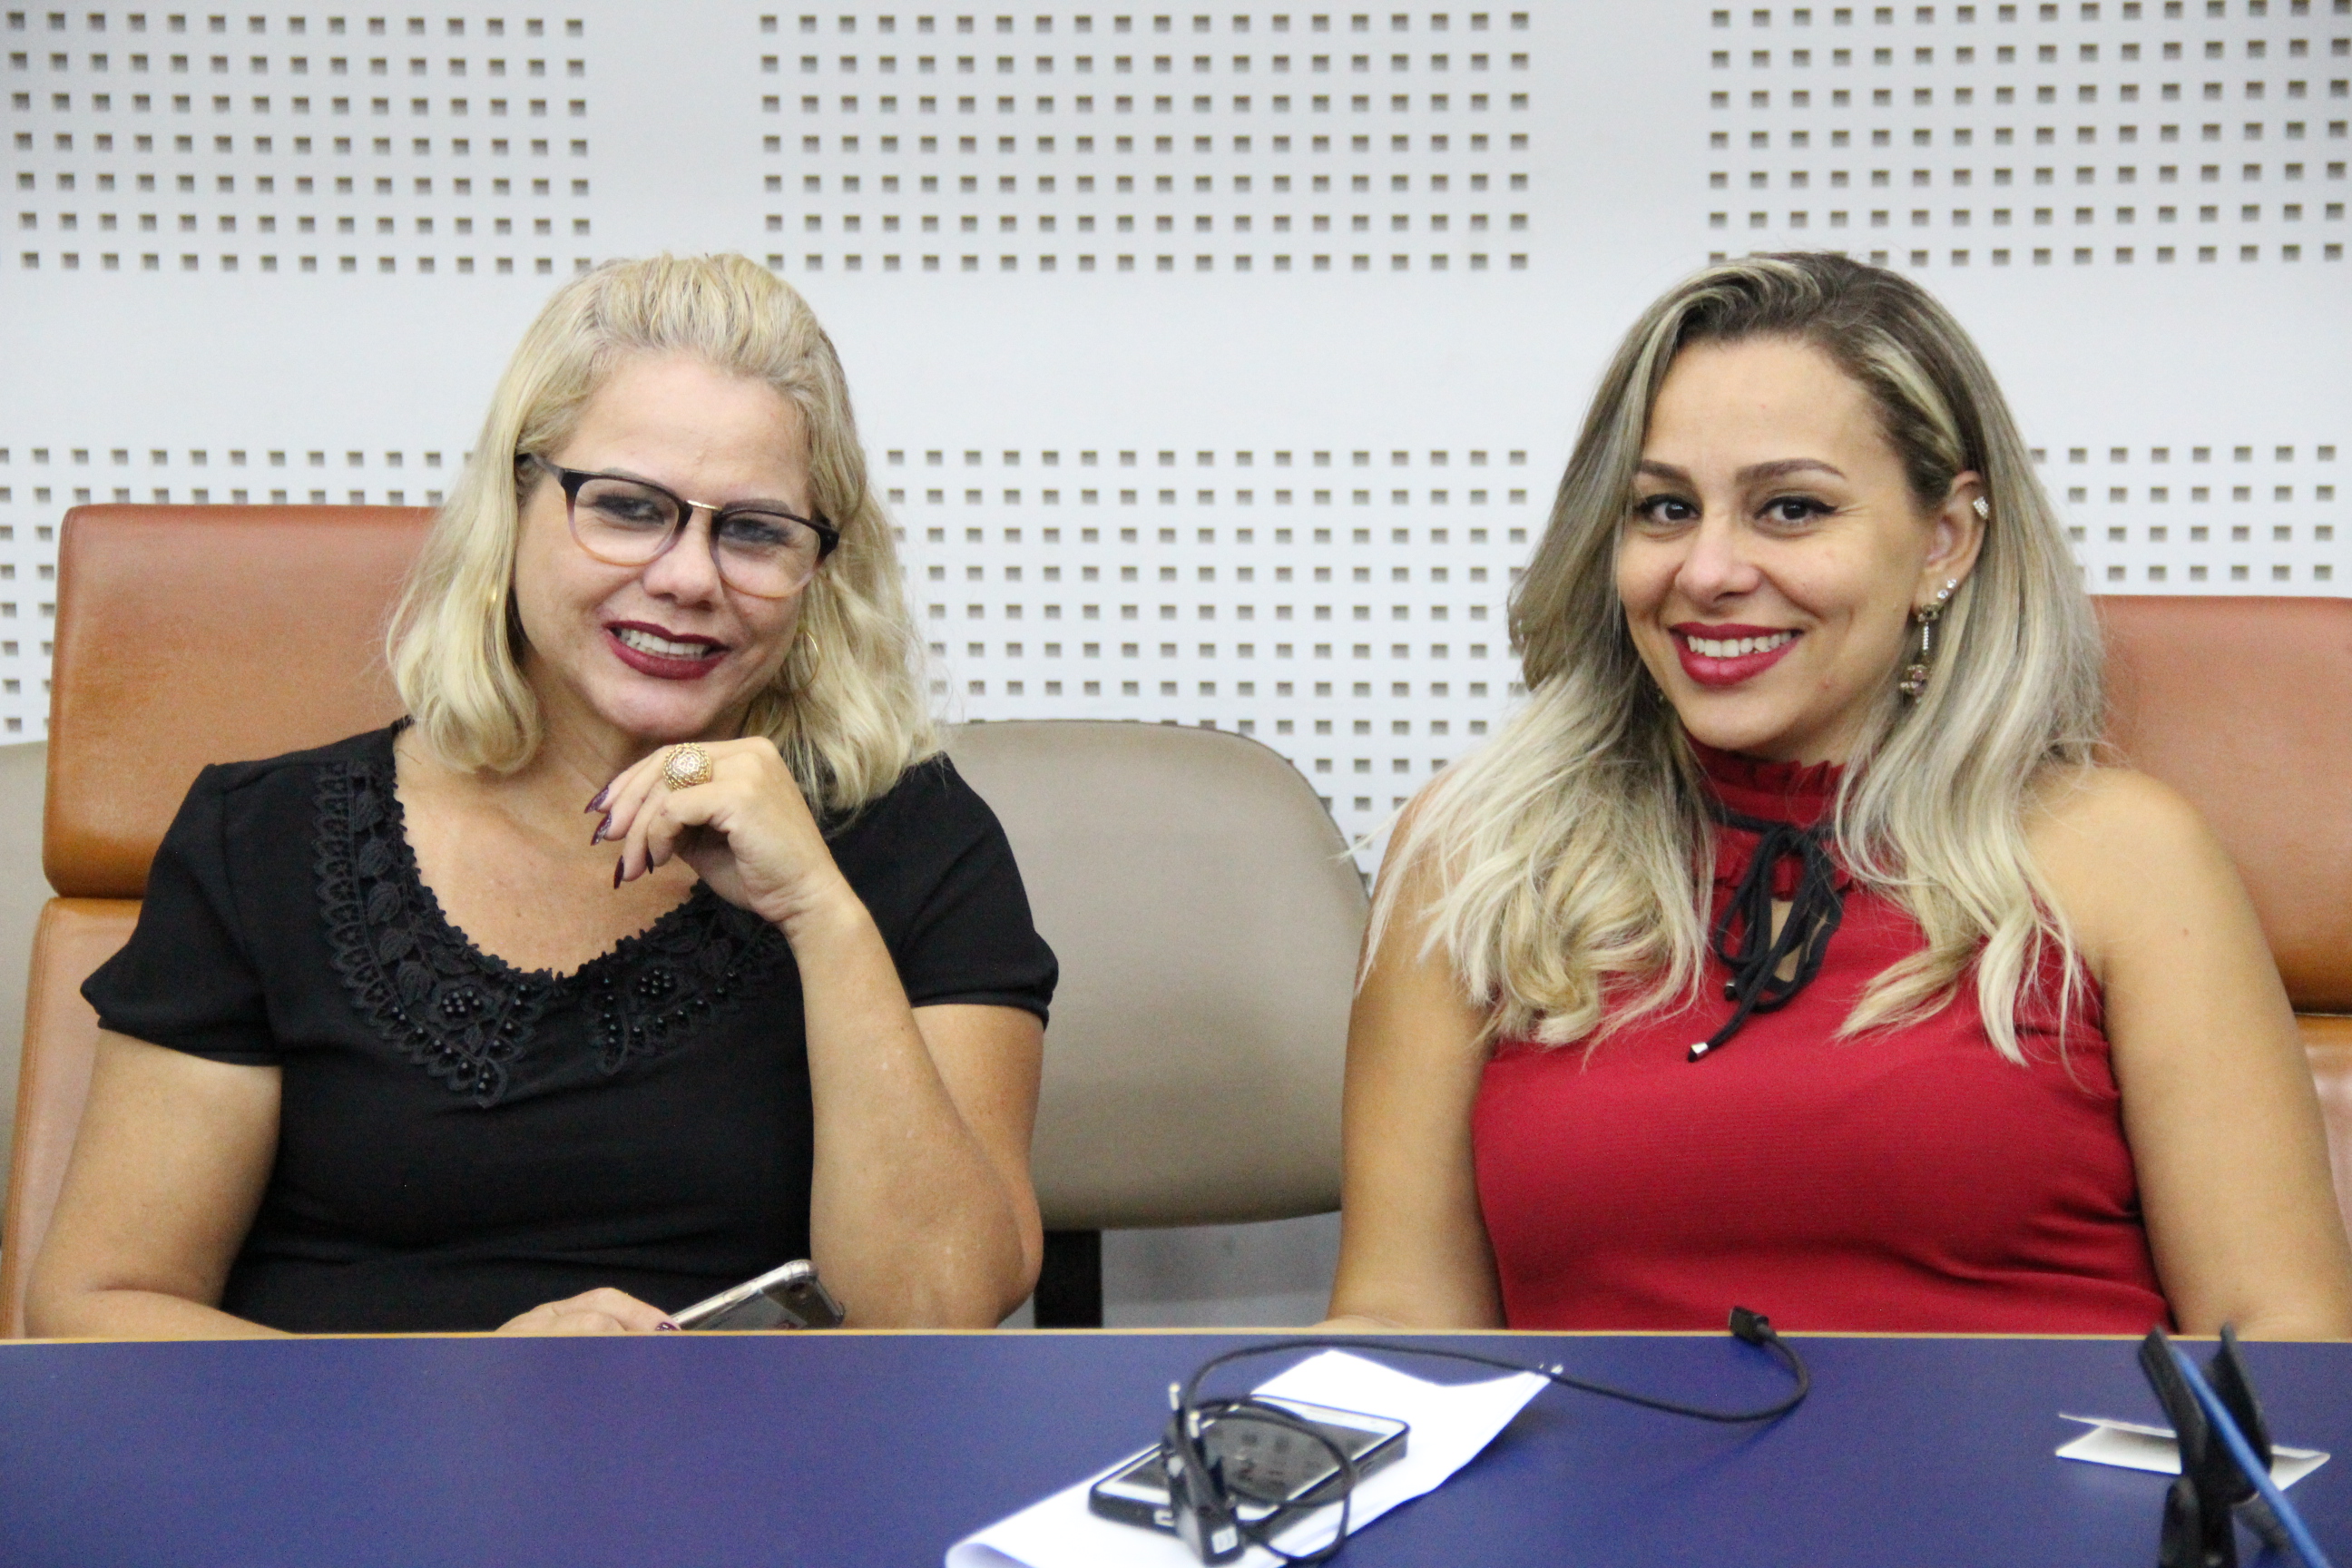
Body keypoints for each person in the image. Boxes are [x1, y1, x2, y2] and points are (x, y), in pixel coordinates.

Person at [27, 255, 1057, 1337]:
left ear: (822, 571)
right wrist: (463, 1392)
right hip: (341, 1443)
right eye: (627, 508)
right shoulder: (262, 841)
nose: (689, 577)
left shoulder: (919, 839)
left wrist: (821, 914)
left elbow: (933, 1319)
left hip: (761, 1444)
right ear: (511, 506)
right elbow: (96, 1313)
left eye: (755, 531)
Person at [1326, 253, 2352, 1338]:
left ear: (1945, 542)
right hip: (1601, 1458)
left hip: (2041, 1457)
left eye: (1791, 509)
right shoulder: (1476, 853)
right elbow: (1398, 1317)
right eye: (1664, 508)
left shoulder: (2124, 857)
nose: (1707, 571)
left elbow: (2282, 1333)